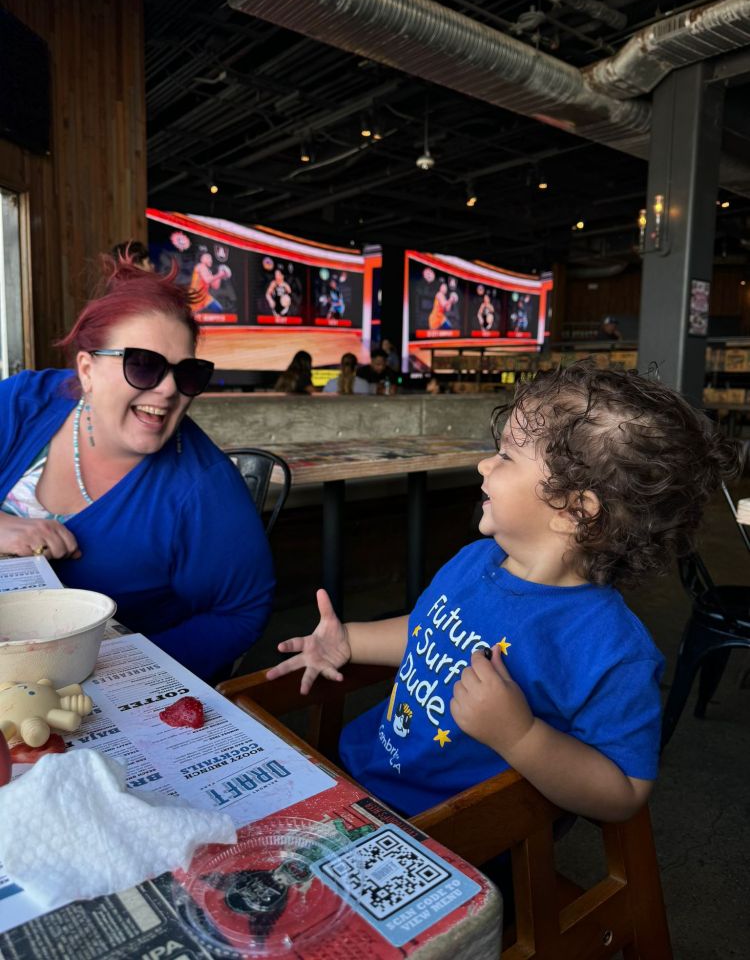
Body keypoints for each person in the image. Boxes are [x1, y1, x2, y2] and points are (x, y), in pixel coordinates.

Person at [266, 361, 739, 822]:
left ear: (575, 511)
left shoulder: (611, 649)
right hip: (357, 773)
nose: (484, 464)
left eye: (507, 455)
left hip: (444, 830)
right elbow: (426, 632)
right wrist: (349, 639)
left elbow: (624, 793)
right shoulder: (476, 560)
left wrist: (520, 736)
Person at [0, 255, 274, 681]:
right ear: (87, 370)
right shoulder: (24, 402)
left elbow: (243, 612)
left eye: (187, 374)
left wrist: (113, 671)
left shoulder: (203, 489)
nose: (168, 390)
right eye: (143, 365)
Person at [190, 247, 231, 314]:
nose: (210, 260)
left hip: (205, 297)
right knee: (193, 315)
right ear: (201, 259)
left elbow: (215, 286)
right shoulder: (200, 266)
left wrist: (220, 274)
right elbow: (207, 280)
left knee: (218, 309)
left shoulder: (209, 272)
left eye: (211, 258)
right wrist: (219, 275)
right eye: (208, 258)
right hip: (195, 296)